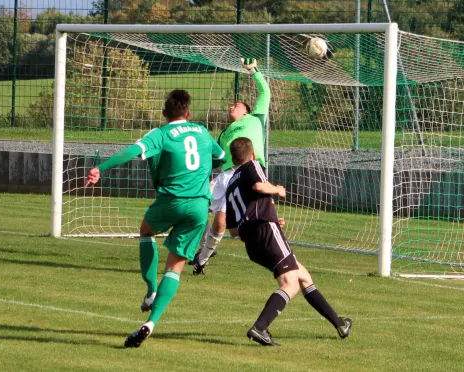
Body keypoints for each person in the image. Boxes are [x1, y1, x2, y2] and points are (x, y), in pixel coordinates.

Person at [85, 89, 226, 348]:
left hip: (170, 201)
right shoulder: (203, 131)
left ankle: (150, 290)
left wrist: (99, 168)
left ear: (164, 113)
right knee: (175, 267)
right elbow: (221, 158)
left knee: (146, 231)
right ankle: (151, 322)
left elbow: (130, 152)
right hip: (198, 205)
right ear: (188, 112)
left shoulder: (161, 134)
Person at [224, 137, 351, 346]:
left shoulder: (230, 183)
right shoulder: (252, 165)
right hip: (265, 231)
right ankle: (260, 327)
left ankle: (340, 323)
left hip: (252, 242)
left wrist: (268, 220)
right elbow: (259, 185)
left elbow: (232, 230)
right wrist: (277, 190)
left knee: (303, 276)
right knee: (290, 283)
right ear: (252, 154)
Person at [192, 57, 270, 275]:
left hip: (247, 172)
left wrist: (253, 71)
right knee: (192, 205)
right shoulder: (225, 134)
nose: (231, 105)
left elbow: (265, 93)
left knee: (223, 225)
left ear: (246, 110)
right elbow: (215, 158)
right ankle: (205, 249)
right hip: (226, 175)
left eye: (236, 104)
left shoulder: (255, 119)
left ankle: (202, 260)